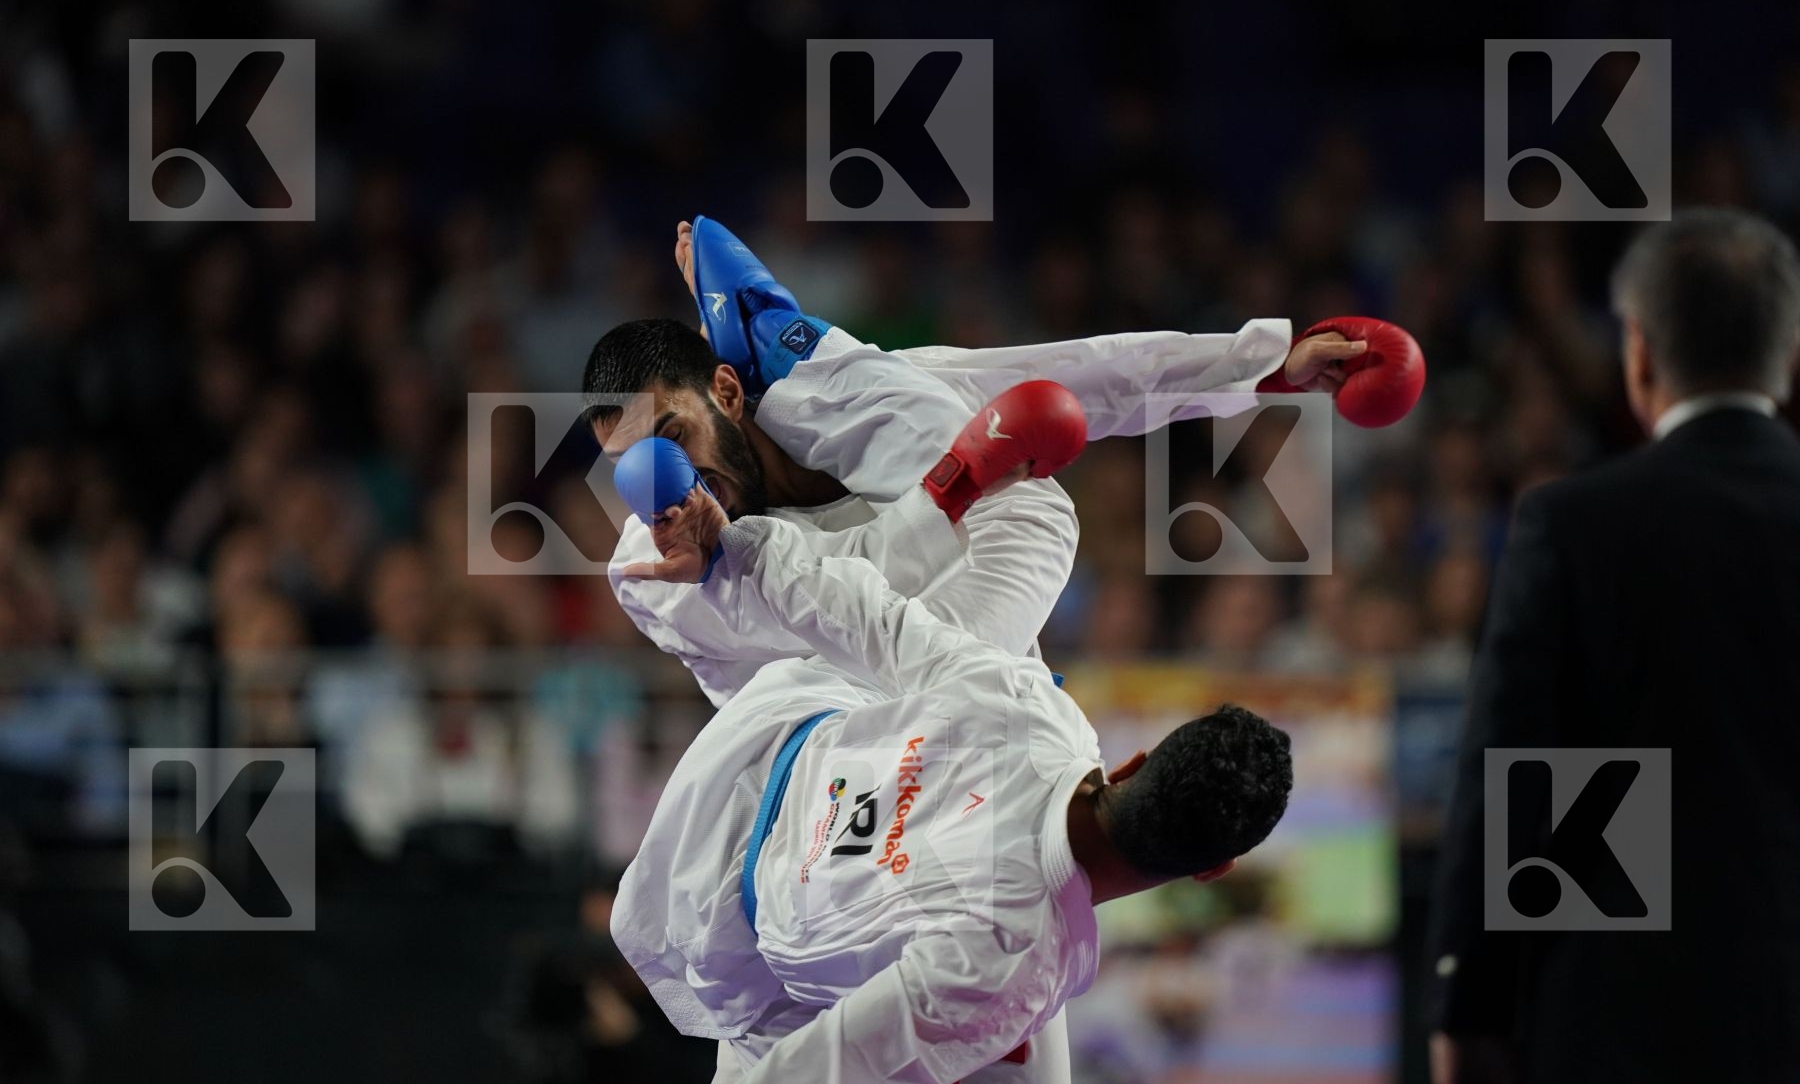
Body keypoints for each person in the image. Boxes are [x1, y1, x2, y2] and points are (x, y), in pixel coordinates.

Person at [609, 388, 1294, 1083]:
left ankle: (862, 423)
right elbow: (824, 1065)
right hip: (717, 920)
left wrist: (732, 550)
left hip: (752, 746)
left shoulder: (1034, 707)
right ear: (1211, 869)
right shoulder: (1010, 968)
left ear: (1134, 762)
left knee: (1036, 516)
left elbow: (872, 618)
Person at [585, 217, 1392, 705]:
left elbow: (1086, 371)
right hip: (827, 773)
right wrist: (949, 486)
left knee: (1018, 490)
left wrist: (1268, 362)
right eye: (634, 469)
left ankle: (774, 333)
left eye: (674, 442)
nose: (670, 488)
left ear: (727, 391)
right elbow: (851, 595)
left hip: (980, 723)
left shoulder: (861, 406)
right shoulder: (653, 568)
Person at [1427, 208, 1800, 1084]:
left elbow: (1516, 773)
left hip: (1630, 1018)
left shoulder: (1576, 525)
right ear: (1788, 354)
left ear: (1638, 353)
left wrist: (1470, 1000)